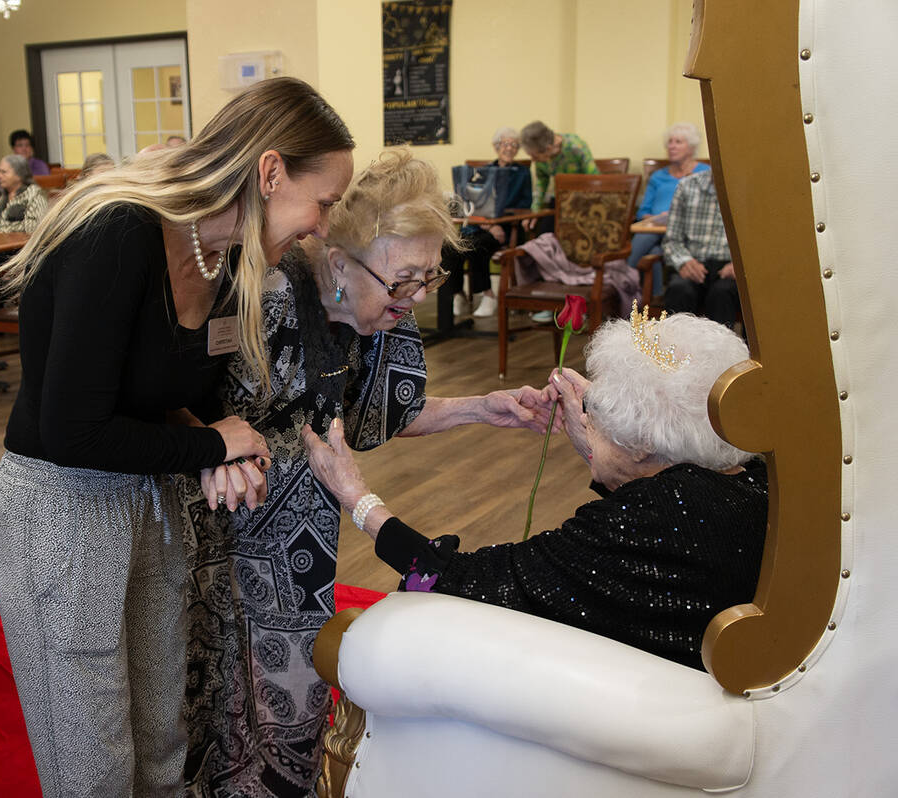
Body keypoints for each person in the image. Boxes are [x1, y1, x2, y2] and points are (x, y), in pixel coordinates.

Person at [0, 76, 355, 798]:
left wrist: (204, 438)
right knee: (92, 768)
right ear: (271, 172)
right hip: (62, 509)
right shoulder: (120, 230)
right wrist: (212, 448)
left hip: (146, 501)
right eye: (325, 202)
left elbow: (167, 394)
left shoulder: (224, 259)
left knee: (161, 746)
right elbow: (72, 430)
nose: (322, 225)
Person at [180, 150, 553, 797]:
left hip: (300, 553)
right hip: (216, 542)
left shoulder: (367, 313)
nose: (414, 300)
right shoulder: (263, 295)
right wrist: (211, 443)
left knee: (295, 710)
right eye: (403, 279)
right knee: (216, 704)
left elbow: (362, 418)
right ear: (340, 261)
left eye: (429, 278)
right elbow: (170, 395)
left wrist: (481, 408)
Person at [304, 309, 767, 670]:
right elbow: (643, 478)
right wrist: (592, 436)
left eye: (597, 411)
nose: (586, 414)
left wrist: (358, 499)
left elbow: (456, 579)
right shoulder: (749, 479)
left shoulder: (646, 519)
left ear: (644, 446)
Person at [445, 126, 532, 318]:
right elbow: (473, 204)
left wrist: (498, 224)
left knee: (478, 246)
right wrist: (489, 224)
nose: (509, 148)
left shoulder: (522, 173)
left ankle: (488, 295)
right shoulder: (484, 172)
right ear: (496, 147)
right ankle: (457, 293)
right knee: (451, 246)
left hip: (509, 228)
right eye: (505, 144)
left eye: (514, 144)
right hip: (482, 225)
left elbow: (526, 204)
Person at [631, 123, 710, 294]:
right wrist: (656, 218)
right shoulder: (658, 176)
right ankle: (655, 300)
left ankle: (624, 274)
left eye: (678, 142)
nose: (671, 146)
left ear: (691, 147)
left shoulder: (705, 173)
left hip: (686, 233)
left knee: (652, 250)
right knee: (651, 244)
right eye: (670, 142)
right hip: (657, 228)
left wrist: (675, 218)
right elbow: (643, 211)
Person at [661, 170, 740, 328]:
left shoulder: (748, 188)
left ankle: (721, 352)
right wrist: (684, 262)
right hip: (692, 263)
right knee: (679, 290)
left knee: (722, 293)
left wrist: (740, 265)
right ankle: (672, 349)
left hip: (730, 268)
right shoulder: (686, 186)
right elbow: (671, 240)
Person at [520, 119, 599, 220]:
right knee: (544, 231)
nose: (533, 160)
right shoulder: (541, 155)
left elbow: (594, 177)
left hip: (584, 199)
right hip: (558, 199)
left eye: (535, 156)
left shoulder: (576, 146)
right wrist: (534, 212)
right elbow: (541, 182)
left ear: (548, 149)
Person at [0, 154, 48, 234]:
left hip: (20, 244)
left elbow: (34, 226)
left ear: (19, 175)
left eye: (3, 172)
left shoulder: (34, 195)